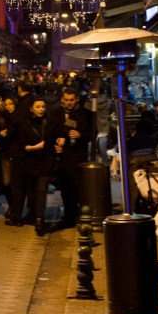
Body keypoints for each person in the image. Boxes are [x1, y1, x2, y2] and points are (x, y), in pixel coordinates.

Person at [44, 87, 96, 230]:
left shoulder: (86, 114)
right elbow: (49, 133)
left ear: (77, 99)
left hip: (78, 156)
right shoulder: (56, 113)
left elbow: (92, 133)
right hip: (62, 158)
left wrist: (80, 135)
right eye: (66, 100)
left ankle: (78, 213)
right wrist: (56, 144)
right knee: (66, 189)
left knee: (79, 187)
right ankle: (69, 215)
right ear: (62, 100)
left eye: (71, 100)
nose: (69, 103)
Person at [9, 98, 54, 233]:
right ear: (31, 109)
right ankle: (32, 216)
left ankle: (39, 219)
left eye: (43, 106)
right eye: (38, 107)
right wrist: (34, 148)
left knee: (40, 189)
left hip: (45, 162)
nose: (41, 109)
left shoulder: (49, 122)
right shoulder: (26, 124)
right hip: (31, 162)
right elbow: (22, 145)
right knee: (32, 190)